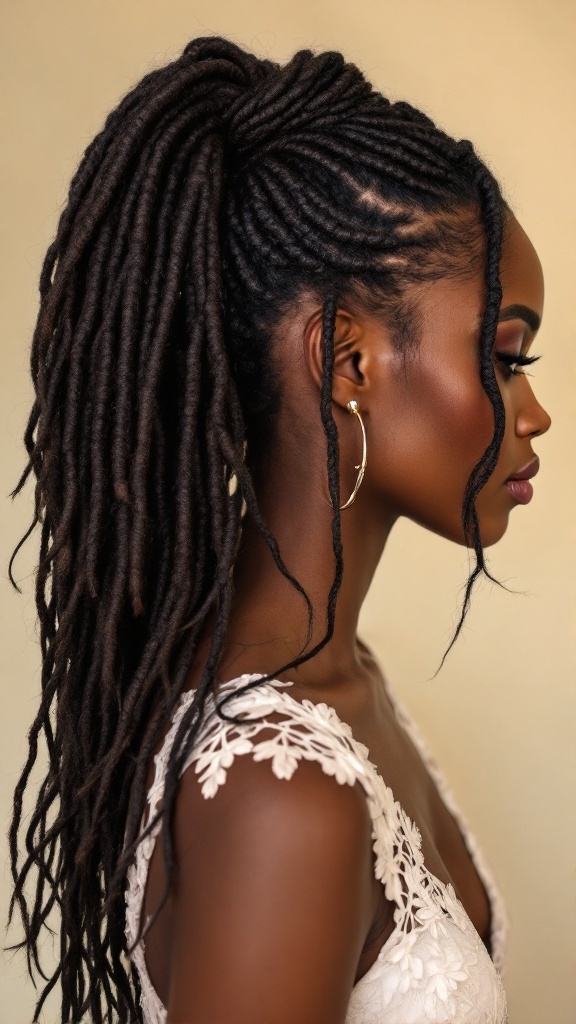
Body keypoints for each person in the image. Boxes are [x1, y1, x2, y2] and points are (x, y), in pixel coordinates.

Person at [6, 34, 551, 1024]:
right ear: (346, 362)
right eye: (507, 358)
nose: (537, 413)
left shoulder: (346, 680)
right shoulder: (276, 785)